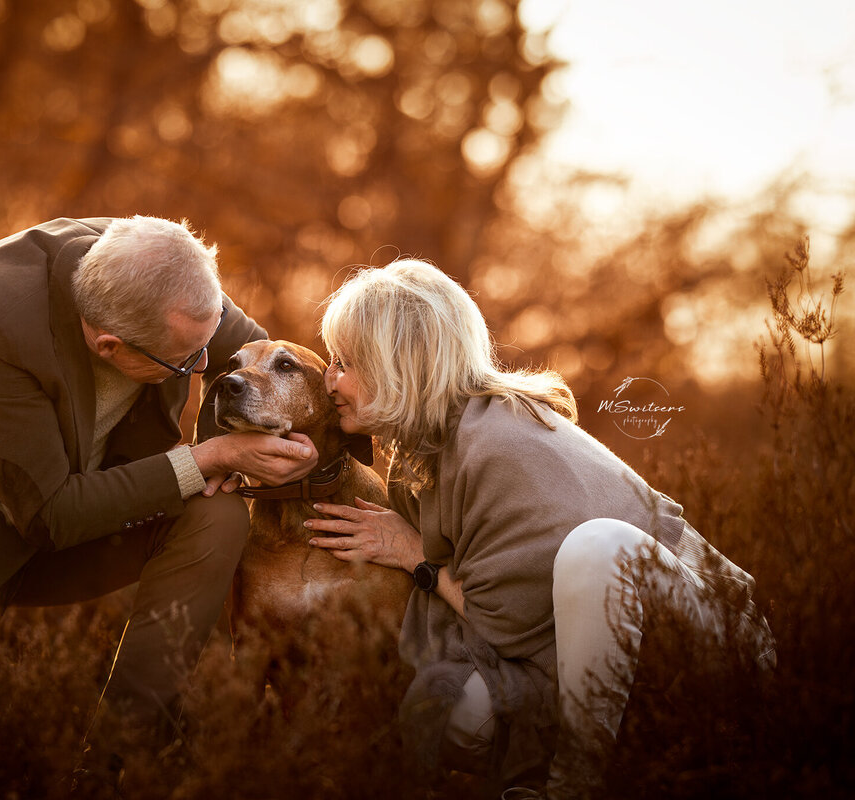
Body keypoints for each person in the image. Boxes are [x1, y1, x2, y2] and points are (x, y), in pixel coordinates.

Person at [0, 216, 318, 757]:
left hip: (86, 519)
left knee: (217, 514)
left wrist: (246, 459)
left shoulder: (169, 281)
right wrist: (209, 456)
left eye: (208, 343)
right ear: (109, 345)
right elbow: (50, 513)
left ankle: (120, 755)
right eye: (186, 364)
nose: (206, 366)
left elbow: (259, 356)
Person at [303, 259, 775, 798]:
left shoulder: (498, 442)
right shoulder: (426, 450)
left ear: (398, 365)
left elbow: (510, 624)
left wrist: (418, 556)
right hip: (606, 655)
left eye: (345, 363)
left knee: (598, 548)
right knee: (447, 710)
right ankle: (628, 768)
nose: (329, 380)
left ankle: (574, 785)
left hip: (717, 650)